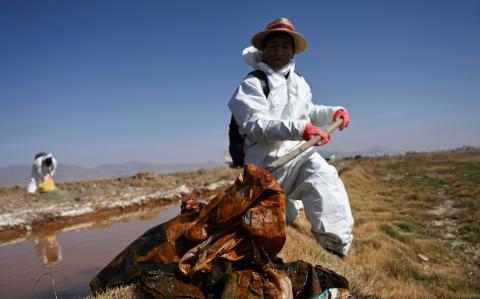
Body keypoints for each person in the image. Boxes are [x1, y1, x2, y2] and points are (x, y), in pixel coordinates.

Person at [228, 18, 354, 256]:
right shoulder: (252, 84)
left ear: (293, 50)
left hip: (297, 157)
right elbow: (255, 124)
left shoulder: (300, 83)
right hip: (265, 167)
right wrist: (301, 129)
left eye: (285, 46)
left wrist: (333, 112)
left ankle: (335, 249)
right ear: (263, 49)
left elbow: (309, 111)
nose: (278, 51)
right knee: (268, 224)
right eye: (273, 45)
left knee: (324, 176)